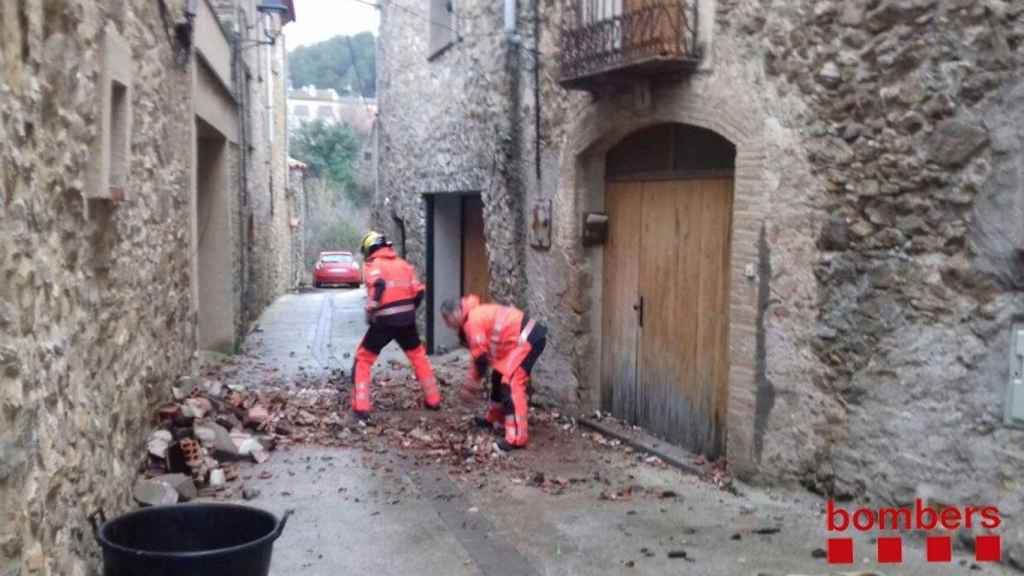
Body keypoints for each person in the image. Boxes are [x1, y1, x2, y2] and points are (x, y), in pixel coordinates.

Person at [351, 231, 440, 421]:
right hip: (407, 320)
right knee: (418, 356)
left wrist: (371, 309)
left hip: (384, 320)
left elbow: (379, 285)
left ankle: (361, 408)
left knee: (364, 358)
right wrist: (408, 311)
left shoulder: (372, 265)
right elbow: (418, 292)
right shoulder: (404, 265)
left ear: (370, 249)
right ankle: (433, 400)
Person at [440, 295, 547, 451]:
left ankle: (517, 438)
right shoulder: (474, 316)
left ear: (455, 313)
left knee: (510, 383)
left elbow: (481, 361)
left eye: (446, 319)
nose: (447, 324)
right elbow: (478, 357)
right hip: (522, 339)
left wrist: (471, 385)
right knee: (498, 376)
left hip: (526, 339)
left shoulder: (472, 322)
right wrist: (471, 382)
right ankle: (495, 418)